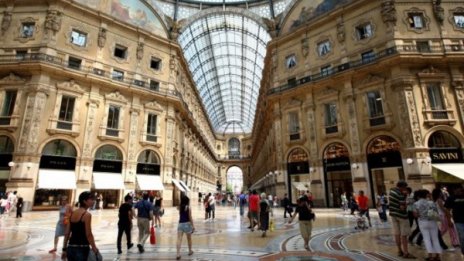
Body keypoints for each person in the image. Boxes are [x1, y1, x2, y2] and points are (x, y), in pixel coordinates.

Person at [62, 191, 99, 261]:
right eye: (91, 199)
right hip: (82, 248)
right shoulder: (87, 215)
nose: (93, 201)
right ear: (84, 201)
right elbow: (88, 234)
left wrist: (64, 249)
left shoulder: (72, 213)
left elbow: (67, 233)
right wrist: (94, 248)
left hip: (71, 248)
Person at [413, 189, 442, 261]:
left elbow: (415, 215)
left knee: (427, 239)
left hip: (423, 222)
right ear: (426, 195)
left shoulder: (416, 204)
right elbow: (436, 212)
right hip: (432, 222)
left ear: (418, 196)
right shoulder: (431, 202)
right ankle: (438, 256)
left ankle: (430, 256)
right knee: (435, 239)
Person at [389, 180, 415, 259]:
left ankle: (399, 250)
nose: (405, 189)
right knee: (404, 235)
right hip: (401, 216)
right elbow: (402, 207)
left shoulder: (391, 191)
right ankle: (406, 253)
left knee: (397, 233)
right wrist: (405, 200)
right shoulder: (400, 194)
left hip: (393, 214)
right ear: (402, 186)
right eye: (405, 187)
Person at [445, 186, 464, 255]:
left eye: (460, 190)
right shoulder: (451, 198)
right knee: (462, 236)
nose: (459, 191)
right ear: (454, 190)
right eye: (457, 190)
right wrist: (449, 220)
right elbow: (447, 210)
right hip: (458, 220)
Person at [176, 194, 194, 260]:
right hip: (187, 224)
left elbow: (178, 209)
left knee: (179, 239)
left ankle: (178, 253)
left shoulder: (180, 207)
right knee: (189, 239)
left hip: (180, 224)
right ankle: (190, 251)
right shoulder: (188, 207)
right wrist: (193, 226)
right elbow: (190, 217)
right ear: (187, 201)